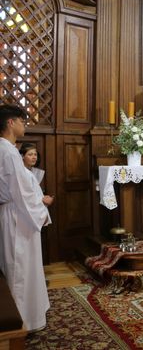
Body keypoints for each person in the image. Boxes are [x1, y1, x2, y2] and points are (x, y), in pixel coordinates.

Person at [0, 104, 53, 332]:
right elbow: (21, 192)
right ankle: (20, 323)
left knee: (22, 266)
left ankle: (27, 317)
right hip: (18, 217)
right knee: (19, 268)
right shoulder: (9, 151)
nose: (24, 125)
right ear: (10, 122)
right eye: (22, 121)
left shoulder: (7, 149)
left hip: (16, 213)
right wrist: (41, 213)